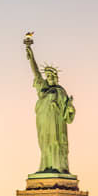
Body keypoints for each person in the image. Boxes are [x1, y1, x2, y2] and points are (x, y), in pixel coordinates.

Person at [26, 44, 76, 173]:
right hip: (44, 120)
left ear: (56, 77)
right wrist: (31, 57)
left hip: (57, 122)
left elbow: (68, 113)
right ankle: (45, 166)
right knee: (45, 143)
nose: (49, 78)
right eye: (47, 76)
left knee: (57, 142)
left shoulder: (60, 91)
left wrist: (70, 108)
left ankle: (58, 167)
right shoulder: (43, 89)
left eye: (51, 76)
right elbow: (36, 73)